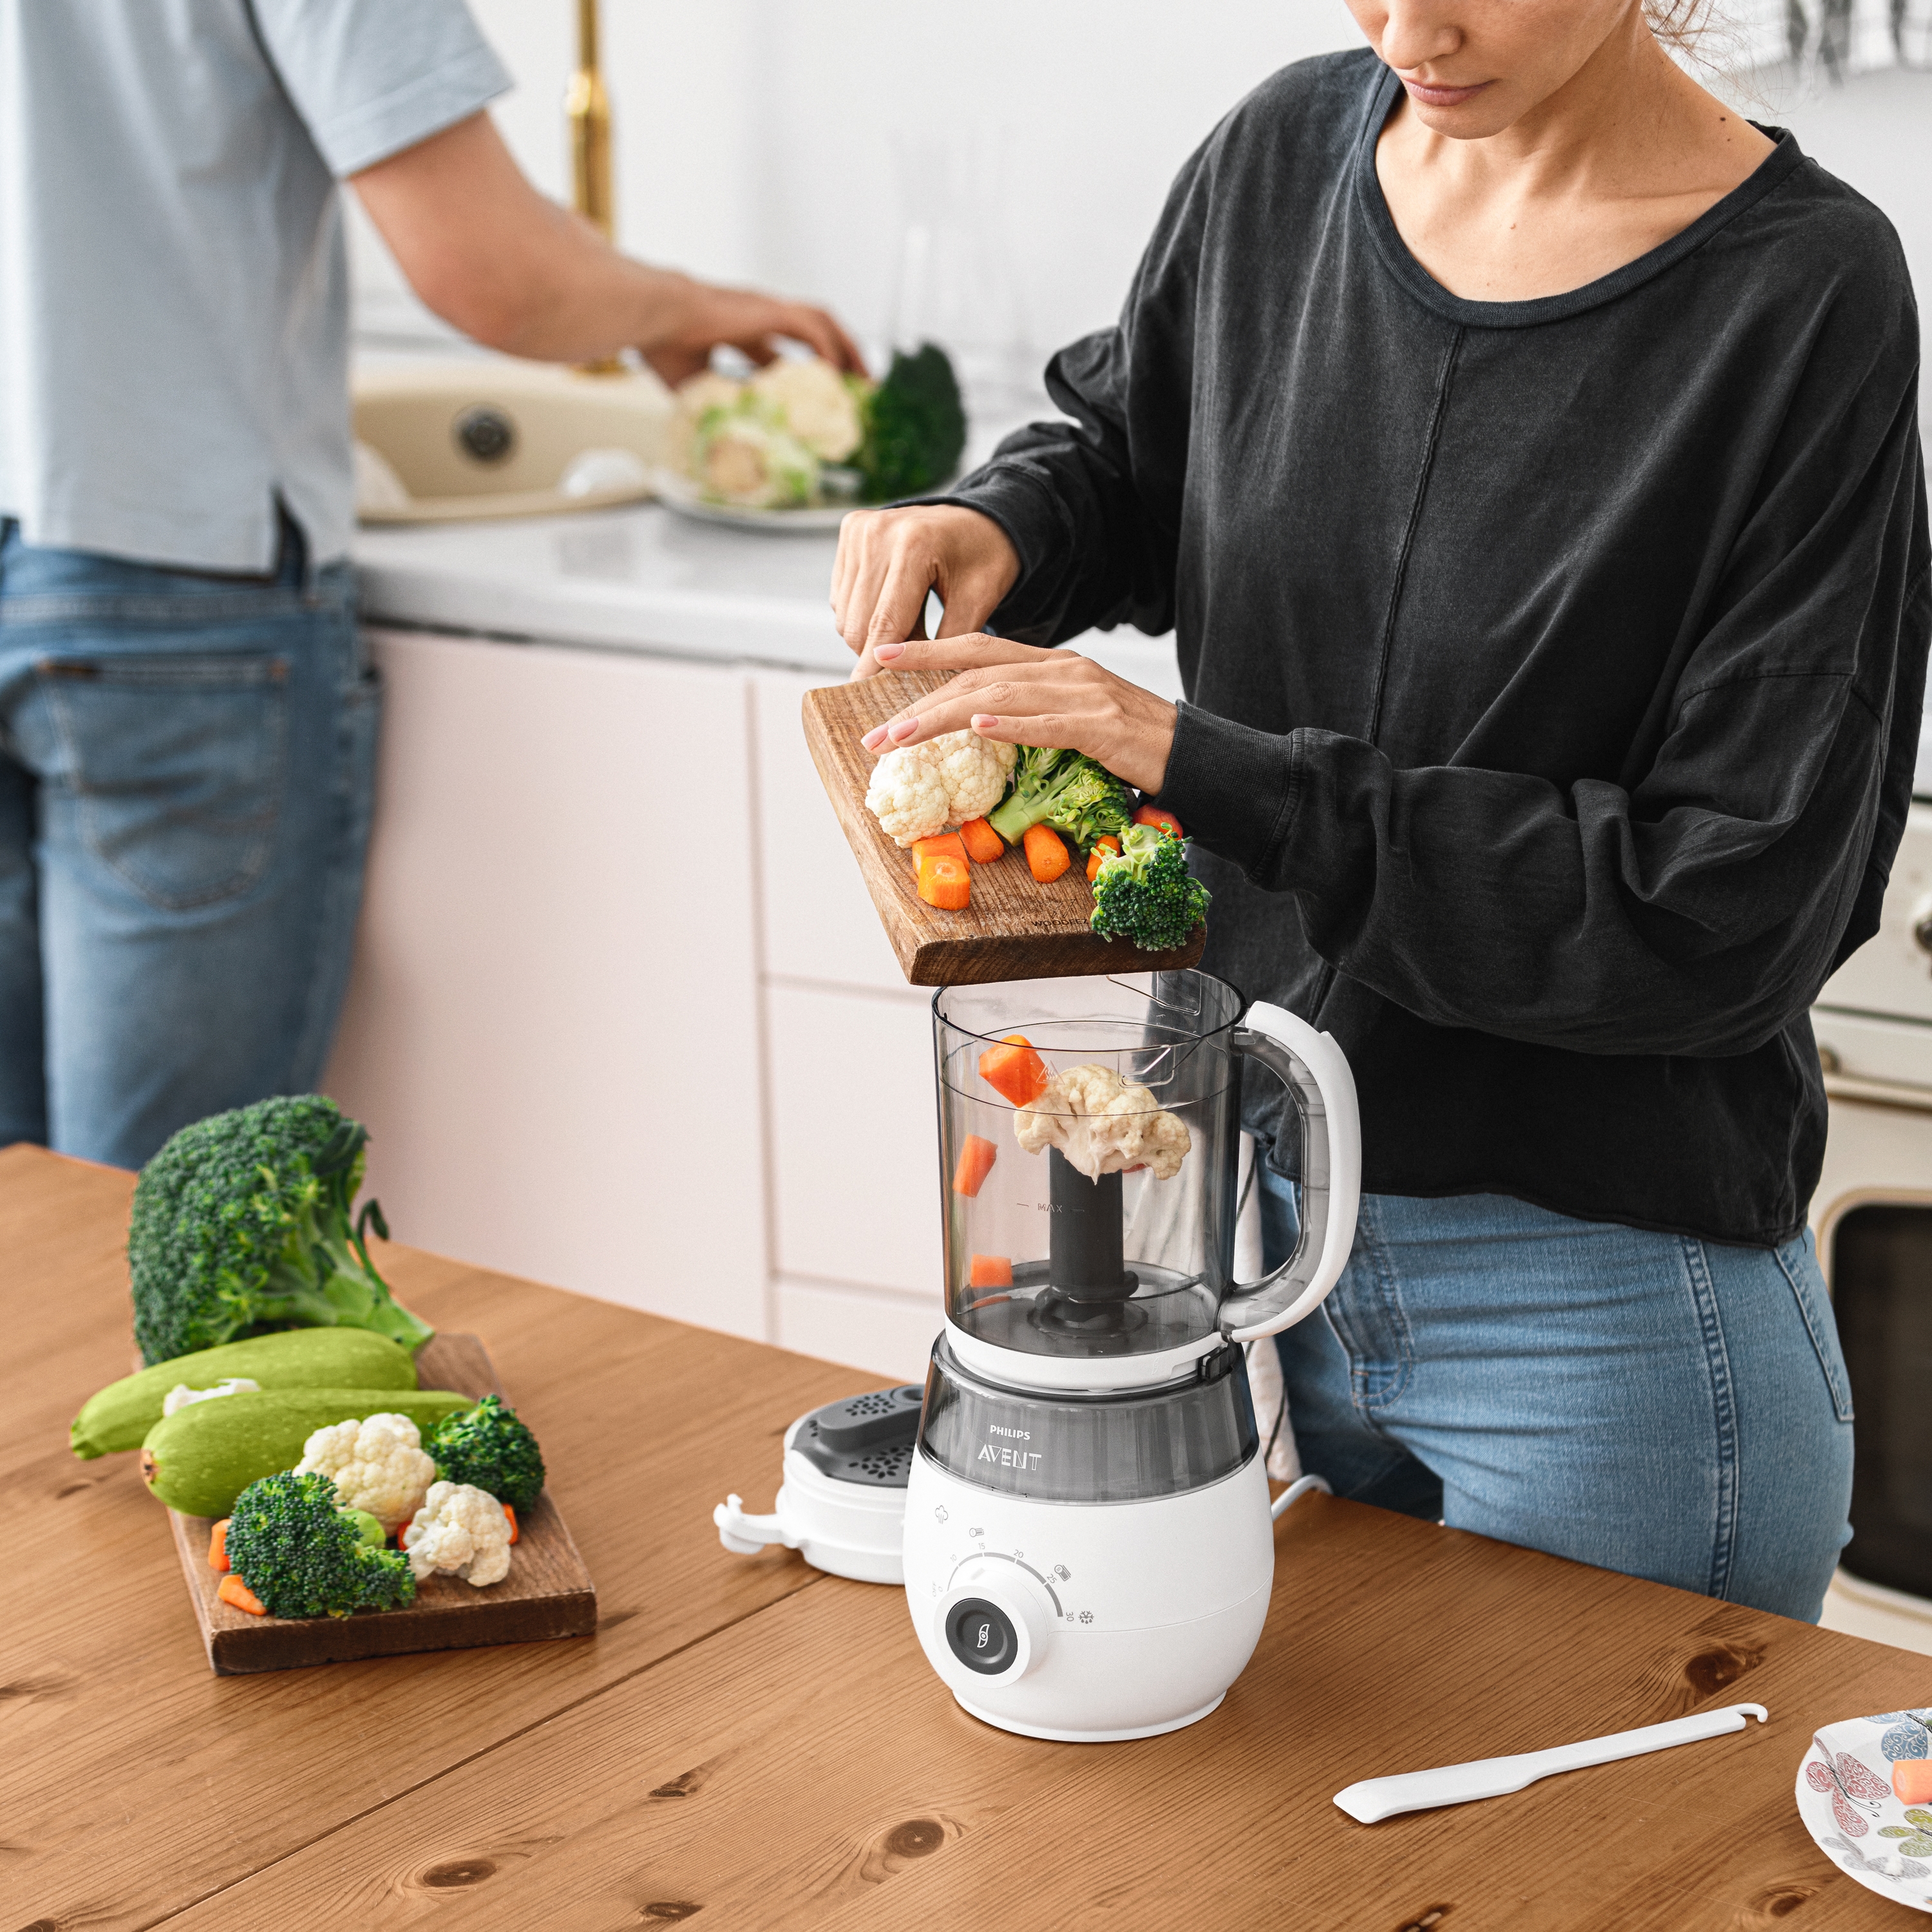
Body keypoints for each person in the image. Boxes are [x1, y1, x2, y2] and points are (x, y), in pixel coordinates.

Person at [829, 0, 1929, 1620]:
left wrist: (1210, 767)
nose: (1413, 28)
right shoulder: (1284, 153)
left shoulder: (1804, 296)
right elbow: (1140, 451)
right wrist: (1006, 521)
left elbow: (1721, 918)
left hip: (1603, 1316)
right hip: (1273, 1247)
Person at [0, 1, 861, 1170]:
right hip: (170, 567)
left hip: (87, 552)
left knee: (27, 1215)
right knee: (160, 1207)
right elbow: (489, 271)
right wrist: (684, 308)